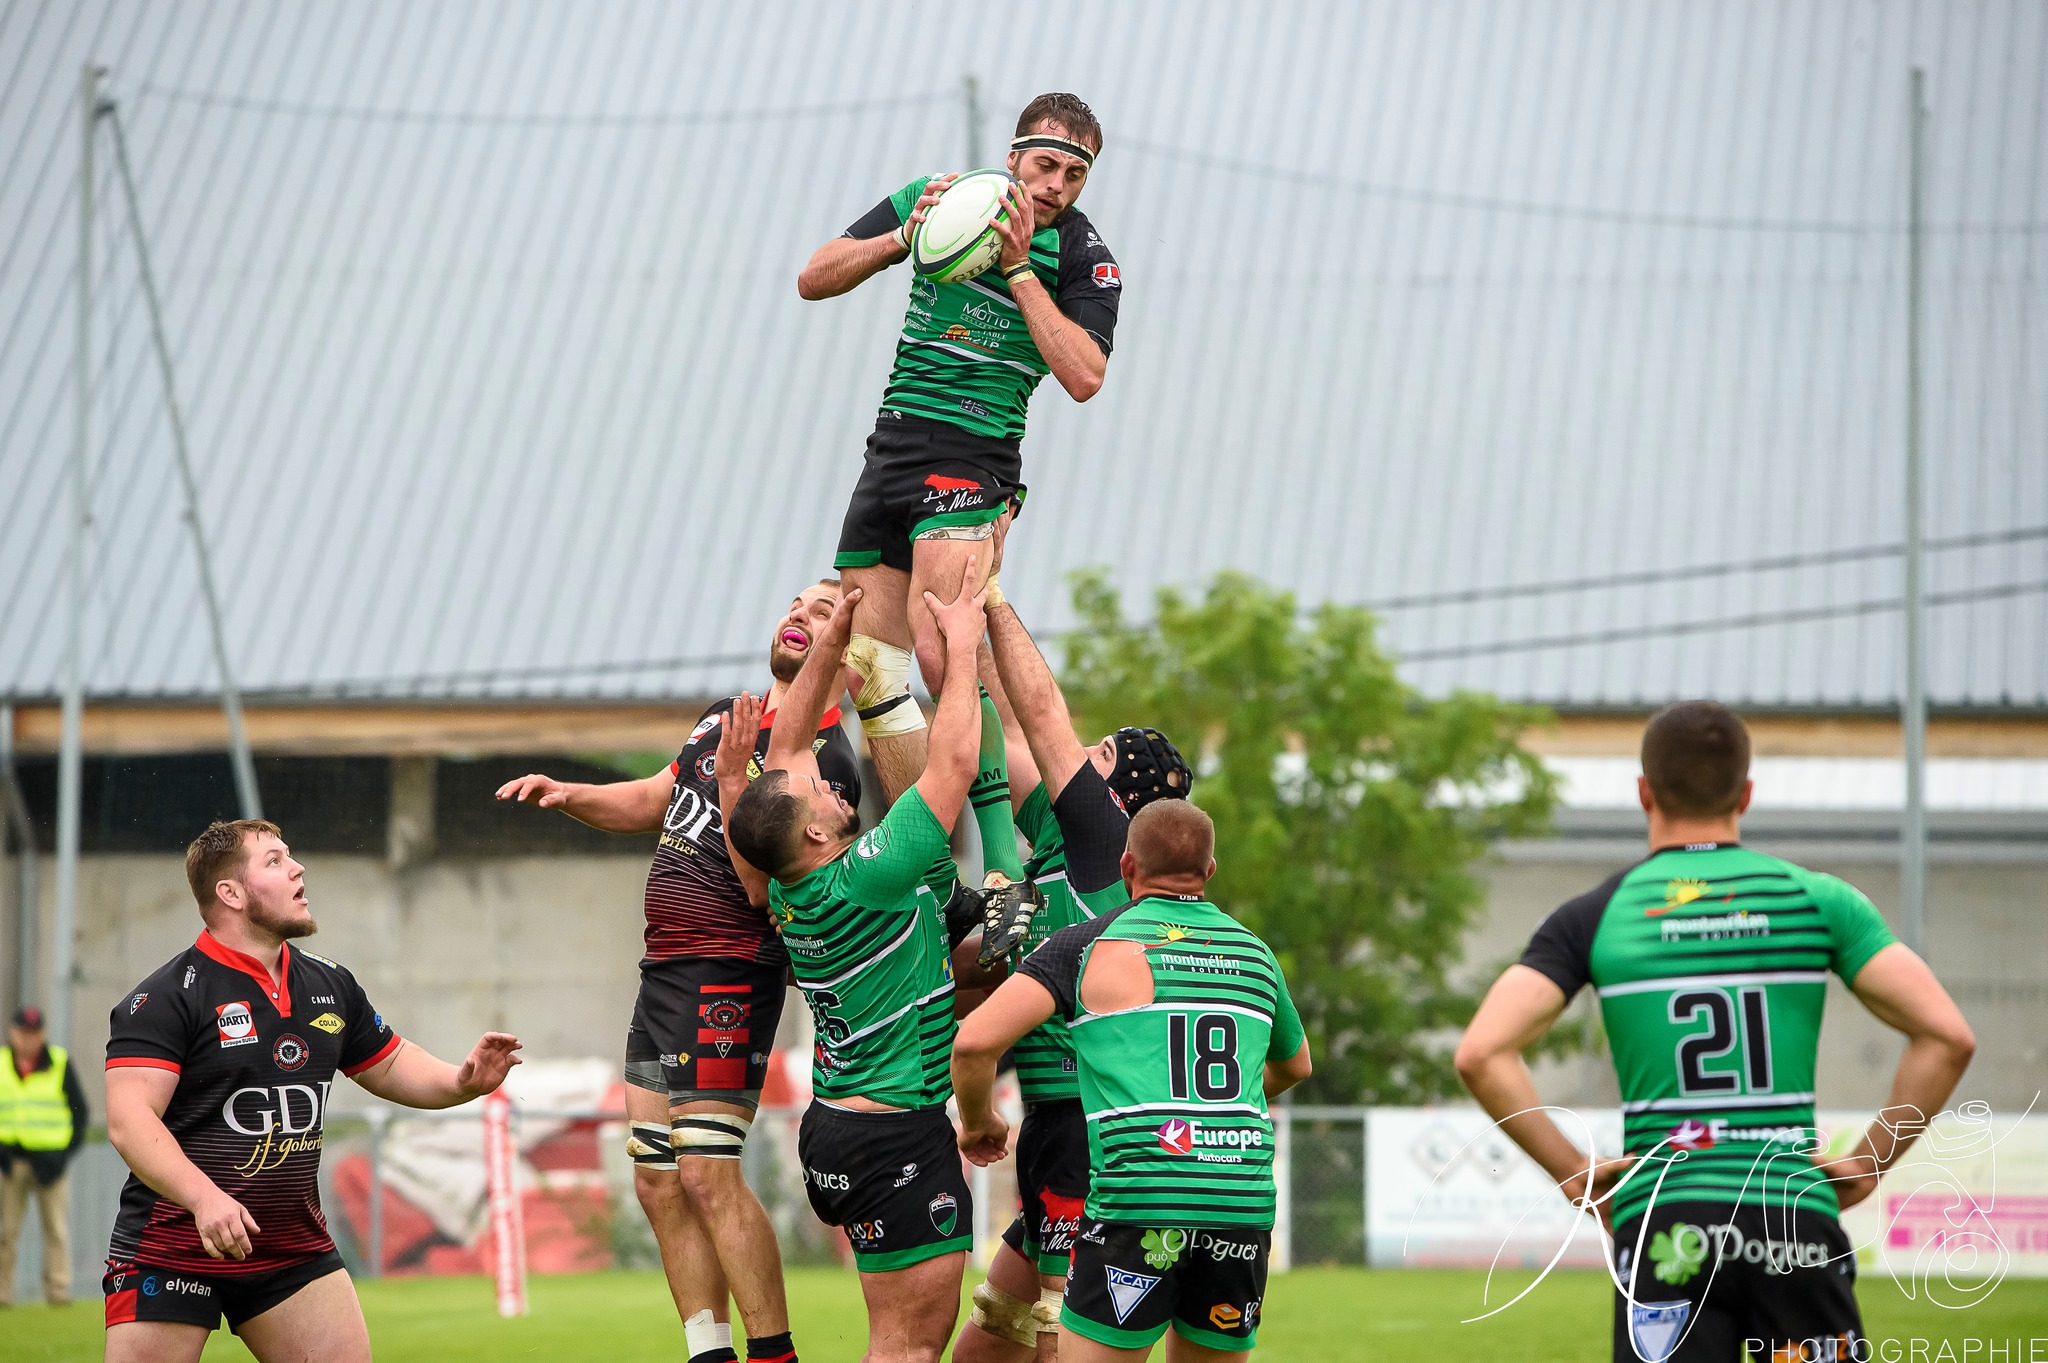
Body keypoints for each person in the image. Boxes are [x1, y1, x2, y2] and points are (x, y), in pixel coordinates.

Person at [1454, 701, 1977, 1363]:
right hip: (1791, 1215)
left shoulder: (1597, 915)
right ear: (1745, 793)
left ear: (1644, 792)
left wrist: (1574, 1172)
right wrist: (1870, 1162)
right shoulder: (1818, 901)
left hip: (1667, 1218)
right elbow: (1947, 1037)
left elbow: (1482, 1053)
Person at [495, 580, 859, 1363]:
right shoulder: (725, 718)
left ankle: (775, 1354)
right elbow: (652, 799)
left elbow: (763, 889)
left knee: (706, 1171)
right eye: (795, 603)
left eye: (823, 611)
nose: (799, 615)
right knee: (656, 1178)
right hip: (663, 970)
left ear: (846, 650)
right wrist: (569, 793)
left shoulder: (823, 763)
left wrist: (733, 782)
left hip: (728, 970)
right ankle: (708, 1352)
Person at [797, 91, 1122, 887]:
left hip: (975, 456)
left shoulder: (1086, 256)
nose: (1055, 185)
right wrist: (900, 238)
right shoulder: (940, 198)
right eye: (1045, 165)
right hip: (895, 443)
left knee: (946, 653)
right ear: (1013, 157)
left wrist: (1019, 270)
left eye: (1074, 174)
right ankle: (937, 884)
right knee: (871, 668)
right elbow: (813, 277)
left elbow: (1085, 374)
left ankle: (1004, 867)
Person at [101, 820, 522, 1363]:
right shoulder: (166, 997)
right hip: (173, 1246)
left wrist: (461, 1082)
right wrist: (205, 1199)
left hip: (290, 1247)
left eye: (290, 855)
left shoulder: (330, 983)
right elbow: (130, 1120)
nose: (298, 868)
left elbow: (392, 1063)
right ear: (230, 893)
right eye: (274, 861)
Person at [725, 565, 983, 1363]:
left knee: (894, 1339)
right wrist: (962, 652)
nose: (838, 791)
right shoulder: (869, 873)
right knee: (909, 1347)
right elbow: (953, 764)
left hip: (841, 1130)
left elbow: (786, 747)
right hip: (892, 1134)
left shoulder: (786, 885)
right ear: (813, 833)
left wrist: (832, 643)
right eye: (821, 797)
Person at [953, 800, 1314, 1363]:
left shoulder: (1086, 945)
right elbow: (1296, 1065)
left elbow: (975, 1043)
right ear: (1210, 869)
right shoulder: (1255, 953)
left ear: (1127, 866)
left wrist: (979, 1124)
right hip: (1239, 1203)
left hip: (1142, 1195)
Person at [953, 582, 1193, 1361]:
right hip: (1055, 1126)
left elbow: (1041, 713)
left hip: (1083, 1130)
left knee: (1066, 1338)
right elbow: (1002, 723)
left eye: (1101, 755)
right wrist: (960, 633)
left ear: (1117, 796)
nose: (1079, 754)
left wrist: (990, 593)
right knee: (986, 1349)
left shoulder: (1104, 836)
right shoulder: (1062, 842)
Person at [0, 1004, 90, 1307]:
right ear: (13, 1033)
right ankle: (2, 1294)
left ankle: (58, 1291)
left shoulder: (59, 1063)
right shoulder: (1, 1064)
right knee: (5, 1233)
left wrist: (64, 1154)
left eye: (35, 1033)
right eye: (24, 1032)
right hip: (11, 1162)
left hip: (51, 1164)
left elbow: (80, 1113)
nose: (29, 1039)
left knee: (56, 1231)